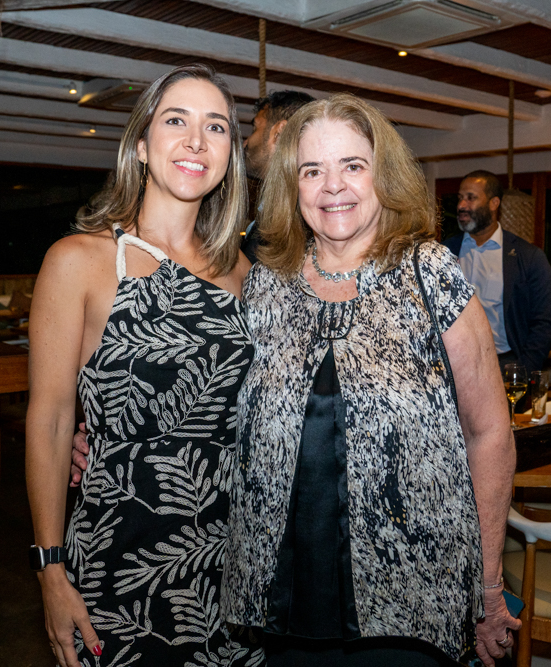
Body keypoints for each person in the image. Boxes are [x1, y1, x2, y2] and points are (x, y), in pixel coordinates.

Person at [221, 94, 519, 667]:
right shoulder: (265, 286)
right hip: (284, 600)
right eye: (312, 170)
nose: (332, 186)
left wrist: (487, 582)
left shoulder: (430, 273)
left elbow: (489, 433)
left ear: (384, 176)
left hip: (413, 597)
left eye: (352, 165)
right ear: (291, 186)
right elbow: (229, 418)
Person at [26, 64, 258, 667]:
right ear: (141, 146)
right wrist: (50, 568)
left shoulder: (244, 274)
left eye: (216, 127)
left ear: (230, 156)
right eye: (176, 120)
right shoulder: (80, 260)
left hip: (237, 564)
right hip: (120, 557)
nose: (196, 141)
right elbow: (51, 421)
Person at [442, 172, 551, 374]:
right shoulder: (444, 252)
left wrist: (524, 369)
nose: (461, 205)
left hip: (505, 365)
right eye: (460, 198)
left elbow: (545, 321)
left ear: (494, 203)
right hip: (452, 364)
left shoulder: (528, 257)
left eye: (471, 198)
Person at [241, 90, 315, 262]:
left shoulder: (295, 220)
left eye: (255, 128)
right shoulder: (279, 210)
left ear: (279, 133)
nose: (246, 142)